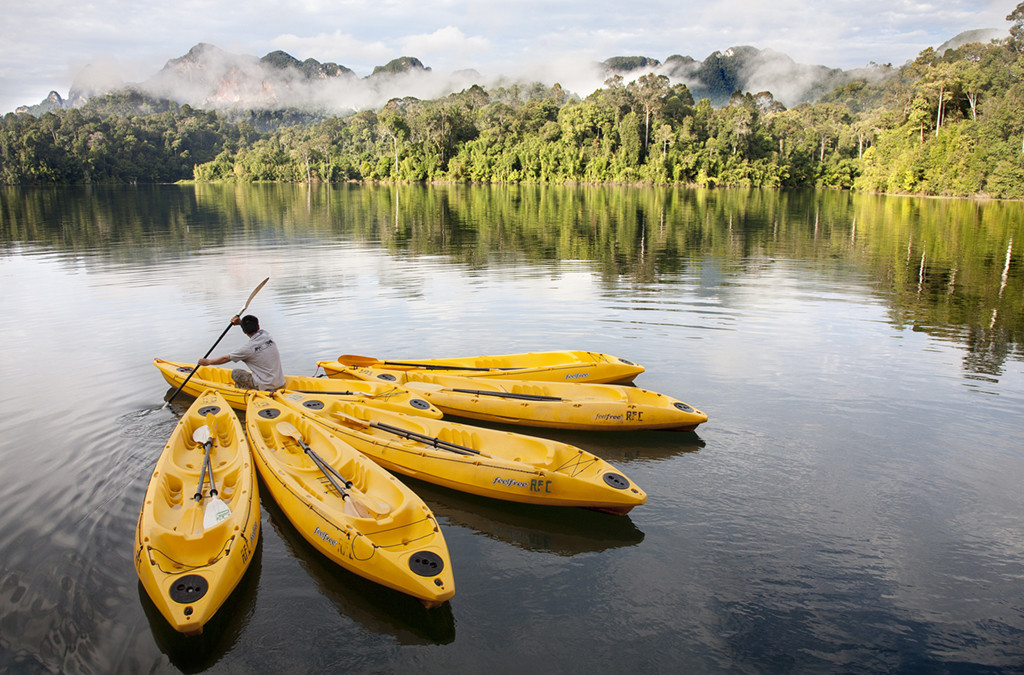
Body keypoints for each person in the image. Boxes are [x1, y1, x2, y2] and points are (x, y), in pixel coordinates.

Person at [198, 314, 286, 391]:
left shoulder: (247, 349)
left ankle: (242, 391)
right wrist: (240, 323)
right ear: (258, 326)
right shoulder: (267, 335)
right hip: (280, 381)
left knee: (236, 373)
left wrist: (209, 362)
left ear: (244, 332)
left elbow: (226, 358)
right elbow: (252, 328)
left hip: (266, 385)